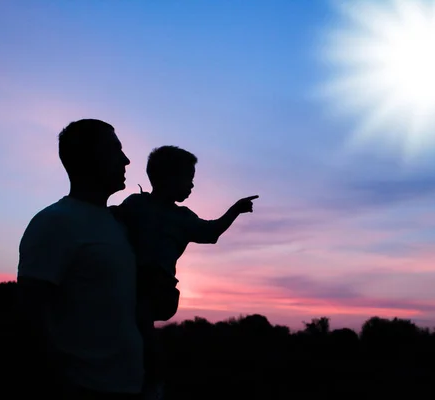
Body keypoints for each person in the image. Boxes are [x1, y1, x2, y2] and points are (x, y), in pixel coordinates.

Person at [110, 145, 258, 399]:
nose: (191, 186)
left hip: (158, 287)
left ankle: (153, 381)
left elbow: (211, 232)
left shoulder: (183, 218)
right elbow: (113, 219)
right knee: (135, 329)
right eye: (188, 179)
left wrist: (235, 210)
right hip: (131, 283)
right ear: (168, 178)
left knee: (142, 323)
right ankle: (143, 379)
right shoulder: (135, 204)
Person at [16, 119, 143, 399]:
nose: (126, 159)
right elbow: (30, 314)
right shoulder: (54, 222)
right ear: (88, 158)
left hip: (129, 386)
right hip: (86, 389)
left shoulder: (118, 224)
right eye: (114, 149)